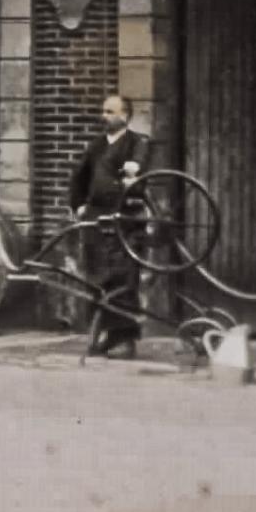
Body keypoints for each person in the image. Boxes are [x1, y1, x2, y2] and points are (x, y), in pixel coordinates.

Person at [68, 93, 150, 359]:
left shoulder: (137, 143)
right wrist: (78, 205)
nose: (104, 116)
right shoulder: (96, 146)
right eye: (103, 111)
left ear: (125, 116)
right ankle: (102, 335)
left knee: (122, 277)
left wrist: (132, 172)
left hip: (123, 220)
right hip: (95, 219)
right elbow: (79, 176)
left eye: (110, 112)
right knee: (96, 277)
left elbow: (139, 168)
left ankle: (124, 339)